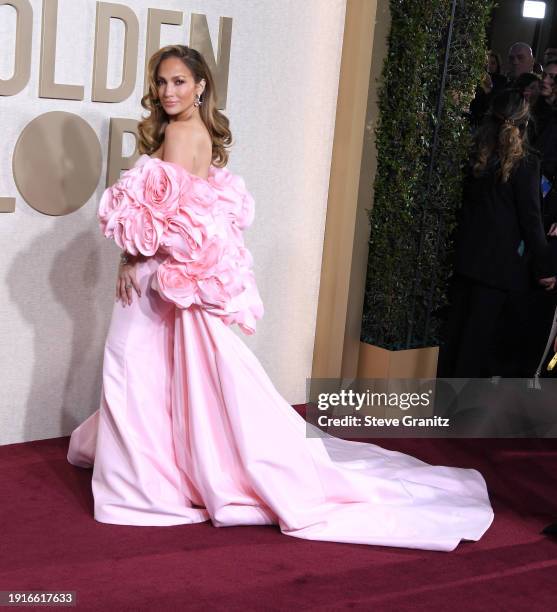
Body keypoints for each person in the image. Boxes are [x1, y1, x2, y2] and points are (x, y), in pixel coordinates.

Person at [67, 44, 494, 552]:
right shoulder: (192, 132)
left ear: (201, 85)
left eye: (179, 82)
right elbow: (193, 214)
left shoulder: (182, 133)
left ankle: (146, 480)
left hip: (159, 278)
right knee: (161, 375)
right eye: (161, 82)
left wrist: (132, 258)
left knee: (136, 370)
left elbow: (173, 221)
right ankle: (162, 468)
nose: (168, 92)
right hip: (167, 279)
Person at [437, 90, 556, 378]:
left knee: (453, 338)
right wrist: (546, 269)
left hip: (465, 260)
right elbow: (531, 221)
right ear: (525, 123)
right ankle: (457, 416)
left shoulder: (474, 152)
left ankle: (438, 409)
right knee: (475, 346)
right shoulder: (526, 164)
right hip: (498, 270)